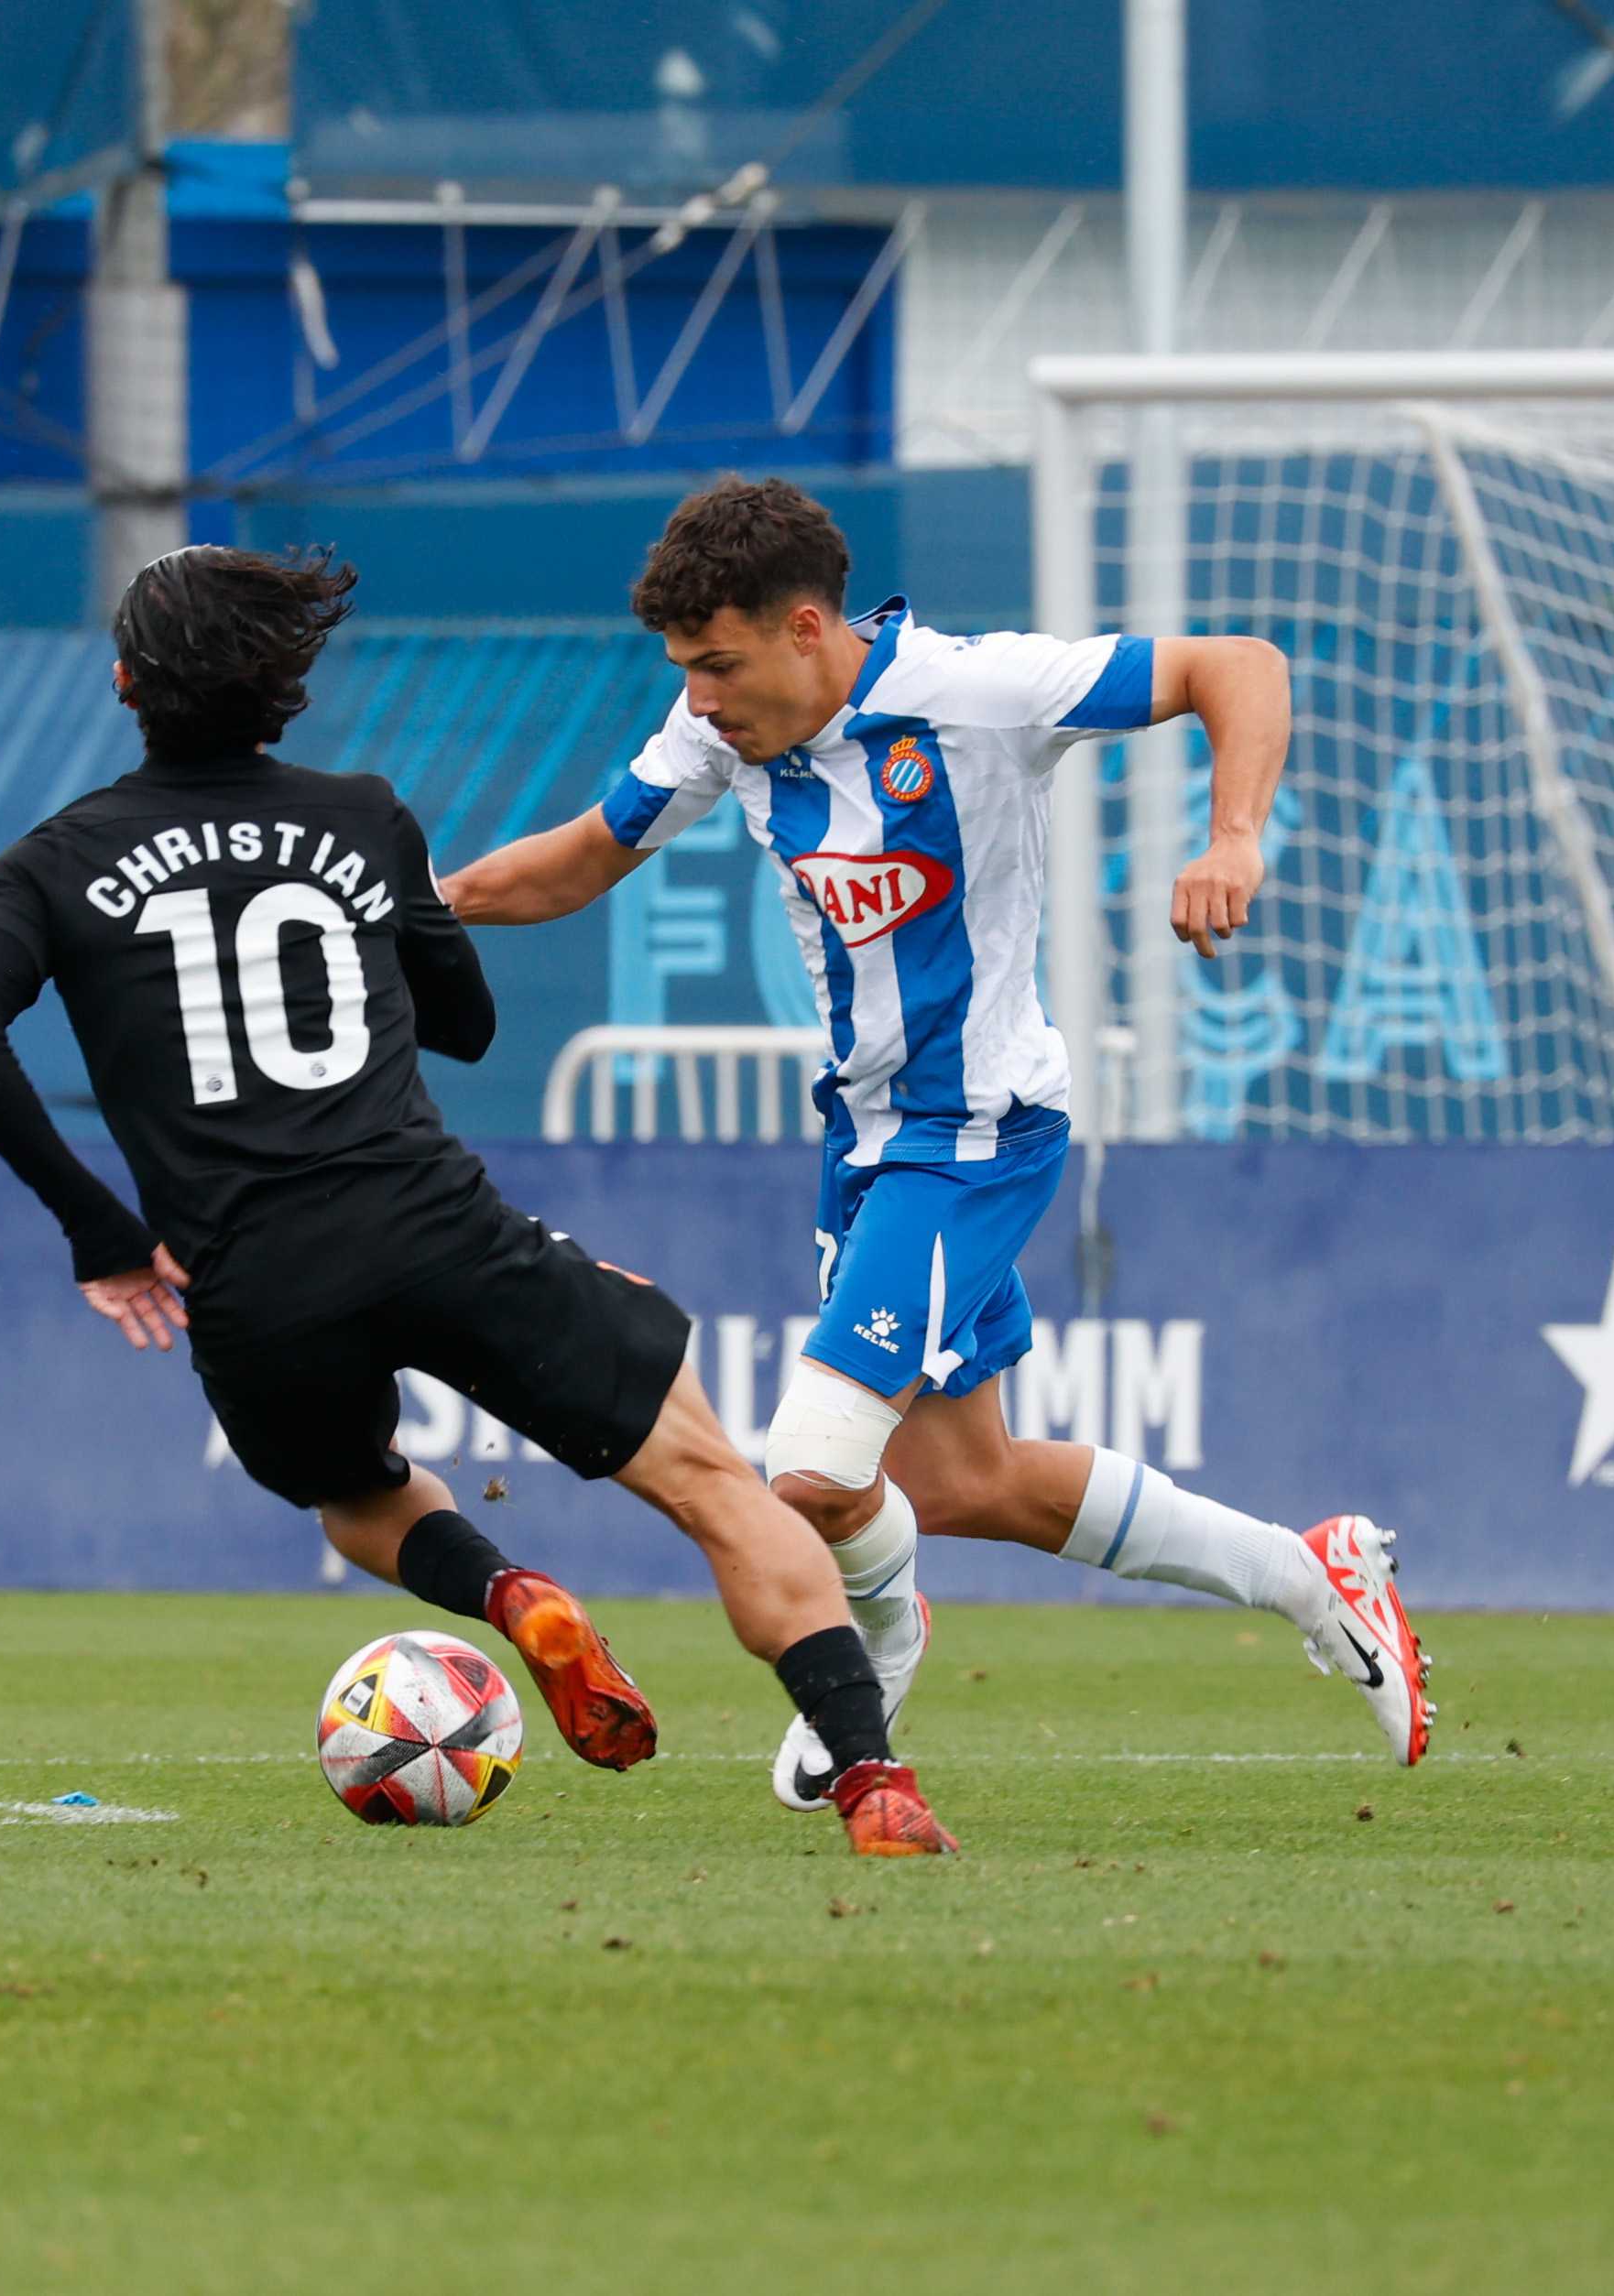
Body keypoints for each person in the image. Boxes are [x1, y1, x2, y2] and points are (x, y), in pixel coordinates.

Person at [0, 542, 955, 1855]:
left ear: (125, 683)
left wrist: (102, 1229)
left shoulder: (51, 863)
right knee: (711, 1482)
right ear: (284, 686)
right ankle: (871, 1780)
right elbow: (463, 1025)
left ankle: (514, 1593)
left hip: (253, 1278)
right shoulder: (363, 817)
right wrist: (391, 922)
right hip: (435, 1227)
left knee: (358, 1499)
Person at [439, 479, 1432, 1814]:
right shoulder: (719, 730)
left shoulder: (976, 691)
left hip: (975, 1135)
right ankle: (1312, 1577)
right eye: (683, 669)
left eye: (717, 663)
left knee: (810, 1470)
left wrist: (1234, 841)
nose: (699, 696)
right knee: (966, 1482)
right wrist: (408, 906)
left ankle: (877, 1646)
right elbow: (576, 862)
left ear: (806, 628)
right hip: (864, 1140)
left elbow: (1236, 666)